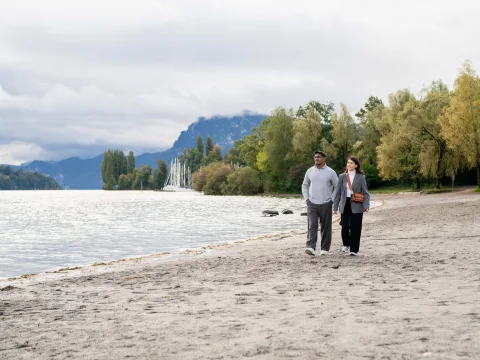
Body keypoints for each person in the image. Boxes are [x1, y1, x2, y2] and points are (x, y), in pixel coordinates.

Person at [302, 151, 338, 256]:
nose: (316, 158)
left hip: (326, 203)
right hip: (312, 203)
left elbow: (337, 187)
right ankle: (310, 247)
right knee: (312, 225)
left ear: (324, 159)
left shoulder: (331, 172)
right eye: (315, 157)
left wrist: (332, 199)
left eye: (319, 157)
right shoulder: (309, 171)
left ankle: (324, 249)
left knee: (326, 227)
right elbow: (304, 185)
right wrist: (306, 199)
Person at [333, 156, 370, 256]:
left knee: (356, 227)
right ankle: (346, 244)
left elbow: (366, 193)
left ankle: (354, 250)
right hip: (345, 203)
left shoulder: (361, 177)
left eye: (351, 163)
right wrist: (335, 207)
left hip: (357, 203)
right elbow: (337, 192)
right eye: (348, 163)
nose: (349, 165)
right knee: (344, 225)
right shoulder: (342, 176)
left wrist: (366, 205)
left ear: (356, 165)